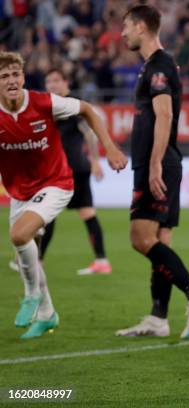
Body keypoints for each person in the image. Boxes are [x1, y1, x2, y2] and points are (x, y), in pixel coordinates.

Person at [0, 51, 127, 339]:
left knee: (20, 236)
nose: (11, 81)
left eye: (15, 75)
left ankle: (31, 296)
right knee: (26, 255)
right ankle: (47, 314)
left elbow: (88, 111)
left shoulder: (45, 102)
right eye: (4, 76)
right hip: (21, 191)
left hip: (57, 183)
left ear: (23, 77)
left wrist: (109, 148)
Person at [116, 4, 189, 340]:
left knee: (140, 239)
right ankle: (159, 317)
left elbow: (164, 115)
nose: (123, 33)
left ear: (143, 27)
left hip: (157, 164)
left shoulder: (159, 65)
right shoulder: (155, 65)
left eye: (127, 26)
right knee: (159, 240)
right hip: (162, 162)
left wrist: (155, 162)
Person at [38, 68, 112, 275]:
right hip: (71, 168)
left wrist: (96, 160)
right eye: (48, 81)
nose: (52, 85)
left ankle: (37, 261)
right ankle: (102, 261)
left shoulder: (71, 105)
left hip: (69, 169)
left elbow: (88, 132)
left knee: (47, 213)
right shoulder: (50, 107)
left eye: (56, 80)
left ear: (66, 84)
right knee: (87, 213)